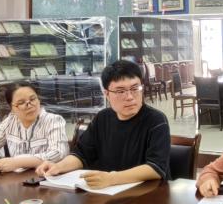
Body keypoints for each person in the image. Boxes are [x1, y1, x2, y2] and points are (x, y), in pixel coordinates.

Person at [36, 59, 170, 188]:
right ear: (107, 94)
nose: (130, 97)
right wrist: (58, 166)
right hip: (106, 193)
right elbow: (82, 154)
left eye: (135, 88)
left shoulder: (156, 120)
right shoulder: (102, 118)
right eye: (120, 91)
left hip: (146, 194)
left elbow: (155, 167)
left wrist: (111, 179)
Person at [0, 81, 68, 172]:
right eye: (21, 103)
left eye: (32, 99)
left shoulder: (53, 120)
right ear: (12, 108)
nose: (29, 105)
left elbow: (58, 153)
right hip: (18, 178)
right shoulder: (11, 121)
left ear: (38, 100)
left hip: (45, 177)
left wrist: (18, 162)